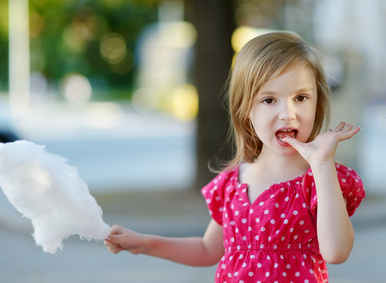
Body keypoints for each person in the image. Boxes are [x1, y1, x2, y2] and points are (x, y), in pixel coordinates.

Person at [104, 32, 365, 282]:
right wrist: (142, 243)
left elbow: (336, 252)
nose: (288, 113)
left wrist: (321, 165)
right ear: (245, 109)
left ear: (317, 103)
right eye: (269, 100)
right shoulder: (232, 182)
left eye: (300, 97)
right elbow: (207, 250)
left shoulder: (322, 178)